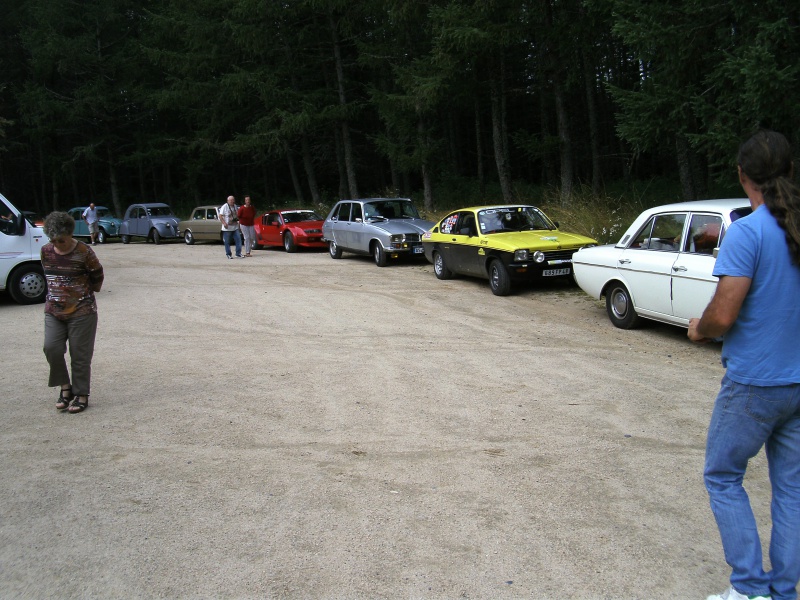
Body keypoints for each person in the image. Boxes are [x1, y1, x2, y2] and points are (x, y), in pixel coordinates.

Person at [688, 130, 800, 600]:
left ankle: (750, 589)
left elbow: (724, 313)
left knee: (722, 475)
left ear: (742, 174)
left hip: (755, 383)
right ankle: (782, 589)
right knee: (791, 489)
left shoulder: (749, 233)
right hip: (797, 380)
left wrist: (699, 329)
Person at [41, 211, 104, 414]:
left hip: (82, 311)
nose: (58, 244)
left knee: (80, 355)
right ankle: (64, 386)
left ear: (70, 234)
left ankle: (81, 393)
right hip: (54, 310)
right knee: (51, 348)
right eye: (54, 240)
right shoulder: (46, 251)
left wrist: (85, 293)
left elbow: (97, 274)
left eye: (62, 240)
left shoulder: (84, 251)